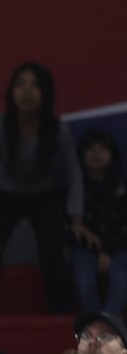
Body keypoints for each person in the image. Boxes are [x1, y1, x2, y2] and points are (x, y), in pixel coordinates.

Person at [0, 62, 87, 313]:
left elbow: (74, 172)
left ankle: (60, 320)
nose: (27, 92)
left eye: (35, 86)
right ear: (11, 92)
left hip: (45, 196)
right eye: (20, 84)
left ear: (46, 93)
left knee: (52, 254)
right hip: (4, 195)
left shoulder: (57, 128)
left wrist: (76, 217)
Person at [72, 129, 127, 316]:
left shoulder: (123, 187)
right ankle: (94, 325)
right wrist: (96, 251)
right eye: (91, 149)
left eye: (102, 149)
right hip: (85, 250)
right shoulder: (74, 188)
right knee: (84, 279)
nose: (96, 154)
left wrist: (108, 252)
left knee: (121, 275)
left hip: (121, 248)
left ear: (112, 154)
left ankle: (110, 326)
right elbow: (68, 227)